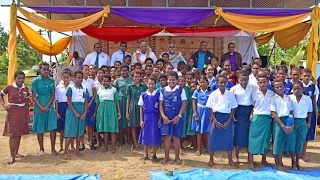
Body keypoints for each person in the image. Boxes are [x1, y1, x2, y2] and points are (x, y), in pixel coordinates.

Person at [206, 75, 238, 167]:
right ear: (217, 83)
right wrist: (215, 121)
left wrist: (228, 121)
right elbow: (210, 108)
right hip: (216, 117)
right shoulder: (213, 94)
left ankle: (230, 160)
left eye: (224, 82)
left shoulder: (230, 94)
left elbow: (233, 108)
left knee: (228, 139)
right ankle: (211, 159)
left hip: (227, 118)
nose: (222, 84)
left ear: (227, 83)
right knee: (213, 138)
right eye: (220, 82)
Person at [0, 71, 29, 164]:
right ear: (15, 78)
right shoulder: (9, 87)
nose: (21, 80)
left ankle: (16, 152)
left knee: (19, 132)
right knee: (13, 134)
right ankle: (12, 155)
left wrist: (27, 113)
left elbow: (27, 101)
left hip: (22, 112)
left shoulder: (26, 88)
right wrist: (4, 105)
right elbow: (1, 94)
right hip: (13, 112)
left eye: (22, 78)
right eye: (19, 78)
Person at [248, 70, 274, 170]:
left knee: (266, 140)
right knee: (253, 139)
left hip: (267, 119)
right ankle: (251, 160)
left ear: (267, 82)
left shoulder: (271, 93)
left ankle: (263, 159)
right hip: (257, 118)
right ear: (257, 82)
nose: (262, 84)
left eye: (264, 82)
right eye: (260, 82)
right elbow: (251, 106)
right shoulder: (254, 93)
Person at [159, 71, 186, 164]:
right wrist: (163, 116)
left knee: (176, 137)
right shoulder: (163, 90)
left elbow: (184, 104)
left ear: (177, 80)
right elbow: (161, 104)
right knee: (166, 137)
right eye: (170, 80)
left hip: (176, 116)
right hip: (166, 117)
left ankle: (177, 157)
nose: (171, 81)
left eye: (173, 80)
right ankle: (166, 157)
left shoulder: (181, 90)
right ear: (167, 80)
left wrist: (179, 116)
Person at [31, 62, 57, 156]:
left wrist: (47, 106)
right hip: (39, 106)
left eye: (47, 69)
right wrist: (41, 107)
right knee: (40, 128)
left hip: (49, 106)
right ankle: (41, 149)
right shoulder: (35, 81)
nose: (46, 71)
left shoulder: (52, 81)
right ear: (40, 70)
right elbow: (33, 97)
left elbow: (53, 95)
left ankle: (53, 149)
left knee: (52, 128)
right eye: (44, 69)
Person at [286, 81, 312, 170]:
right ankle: (293, 163)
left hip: (302, 122)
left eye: (298, 89)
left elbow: (310, 112)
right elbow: (289, 111)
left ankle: (297, 163)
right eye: (294, 89)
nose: (296, 91)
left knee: (300, 142)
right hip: (292, 121)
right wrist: (290, 123)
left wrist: (308, 123)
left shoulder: (307, 99)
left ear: (302, 89)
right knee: (292, 142)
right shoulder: (289, 97)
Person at [230, 70, 254, 163]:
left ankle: (250, 157)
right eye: (242, 80)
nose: (244, 82)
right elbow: (232, 103)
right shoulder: (234, 89)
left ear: (248, 79)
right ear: (238, 79)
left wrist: (252, 112)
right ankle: (235, 155)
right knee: (237, 135)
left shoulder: (252, 88)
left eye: (246, 80)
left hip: (248, 112)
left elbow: (253, 101)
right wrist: (232, 115)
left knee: (248, 134)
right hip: (238, 112)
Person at [63, 71, 88, 158]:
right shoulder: (70, 88)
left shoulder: (84, 88)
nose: (80, 79)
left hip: (81, 109)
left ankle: (77, 150)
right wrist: (75, 112)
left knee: (79, 132)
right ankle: (65, 152)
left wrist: (84, 112)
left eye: (81, 77)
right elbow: (68, 101)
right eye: (78, 77)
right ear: (73, 78)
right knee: (70, 131)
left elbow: (85, 101)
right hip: (72, 109)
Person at [270, 79, 294, 171]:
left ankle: (282, 161)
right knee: (278, 142)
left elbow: (291, 111)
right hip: (279, 121)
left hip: (288, 120)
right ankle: (279, 163)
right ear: (274, 88)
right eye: (277, 87)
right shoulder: (273, 99)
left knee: (287, 142)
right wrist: (283, 126)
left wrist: (291, 124)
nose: (279, 88)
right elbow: (274, 113)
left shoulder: (288, 98)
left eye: (281, 86)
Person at [94, 75, 121, 153]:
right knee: (105, 129)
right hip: (102, 110)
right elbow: (97, 102)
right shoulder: (99, 90)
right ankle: (105, 147)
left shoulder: (114, 90)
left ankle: (113, 147)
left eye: (107, 81)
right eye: (103, 81)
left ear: (110, 82)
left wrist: (119, 112)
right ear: (101, 81)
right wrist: (95, 112)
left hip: (111, 110)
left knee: (112, 129)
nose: (105, 82)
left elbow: (117, 101)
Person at [138, 76, 162, 161]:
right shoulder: (143, 95)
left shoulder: (158, 94)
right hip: (146, 117)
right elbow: (141, 108)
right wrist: (141, 120)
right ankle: (145, 154)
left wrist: (159, 119)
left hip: (155, 117)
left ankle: (154, 155)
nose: (151, 85)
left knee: (154, 135)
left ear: (155, 84)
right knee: (146, 135)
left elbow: (160, 108)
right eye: (149, 84)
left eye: (152, 84)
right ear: (147, 84)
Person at [126, 70, 147, 150]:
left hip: (142, 107)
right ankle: (135, 143)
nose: (137, 78)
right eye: (135, 77)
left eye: (138, 77)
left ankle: (143, 142)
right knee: (133, 126)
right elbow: (128, 99)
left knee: (142, 125)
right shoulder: (130, 86)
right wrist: (127, 111)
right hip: (133, 107)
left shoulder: (144, 86)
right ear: (132, 77)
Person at [301, 68, 318, 162]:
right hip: (300, 113)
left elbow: (314, 101)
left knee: (306, 136)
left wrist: (315, 112)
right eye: (305, 75)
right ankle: (296, 154)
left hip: (310, 113)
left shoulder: (313, 86)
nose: (306, 77)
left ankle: (303, 155)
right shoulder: (298, 85)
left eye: (308, 76)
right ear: (301, 76)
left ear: (311, 76)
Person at [192, 76, 212, 156]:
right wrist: (195, 114)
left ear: (207, 83)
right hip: (199, 111)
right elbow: (194, 102)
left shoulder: (211, 92)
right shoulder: (197, 92)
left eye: (204, 82)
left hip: (207, 112)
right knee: (199, 131)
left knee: (207, 131)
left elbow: (212, 104)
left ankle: (207, 147)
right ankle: (198, 149)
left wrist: (211, 114)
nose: (202, 84)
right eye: (201, 82)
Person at [113, 64, 133, 146]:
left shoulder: (132, 80)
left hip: (129, 101)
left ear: (128, 71)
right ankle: (121, 140)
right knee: (120, 121)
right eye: (122, 70)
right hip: (120, 102)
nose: (124, 72)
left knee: (128, 120)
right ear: (120, 71)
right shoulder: (117, 81)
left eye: (125, 70)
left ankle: (128, 139)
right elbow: (114, 91)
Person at [55, 70, 72, 153]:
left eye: (67, 77)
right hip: (61, 108)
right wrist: (57, 112)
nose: (65, 79)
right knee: (62, 129)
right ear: (61, 77)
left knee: (70, 128)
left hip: (70, 107)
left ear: (70, 78)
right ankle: (61, 146)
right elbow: (57, 100)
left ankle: (71, 146)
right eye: (64, 77)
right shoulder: (58, 87)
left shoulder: (72, 86)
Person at [81, 65, 97, 150]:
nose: (87, 71)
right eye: (85, 69)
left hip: (91, 101)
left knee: (90, 124)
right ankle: (81, 143)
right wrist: (85, 104)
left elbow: (94, 93)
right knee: (82, 124)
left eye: (88, 70)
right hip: (82, 101)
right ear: (82, 70)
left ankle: (90, 141)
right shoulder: (80, 81)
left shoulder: (91, 81)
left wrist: (90, 103)